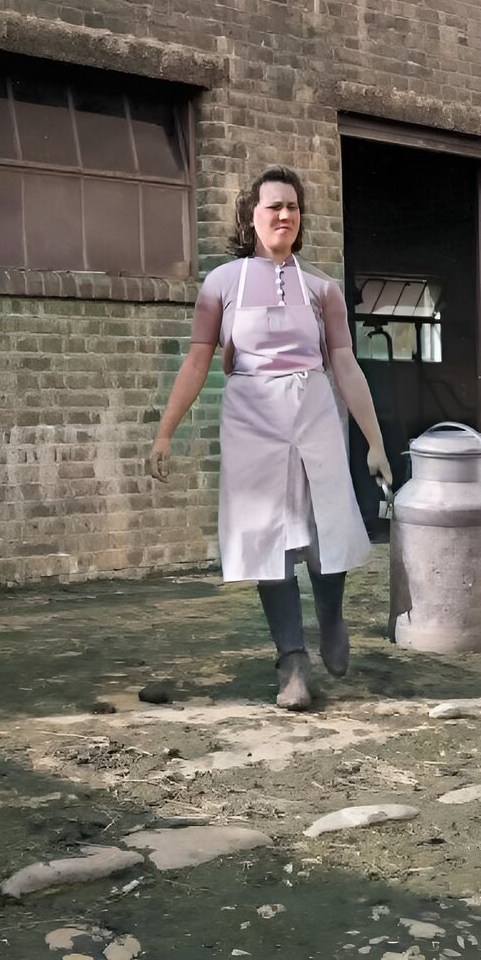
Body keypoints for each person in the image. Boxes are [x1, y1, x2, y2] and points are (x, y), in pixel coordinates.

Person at [150, 165, 392, 712]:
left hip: (313, 413)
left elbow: (346, 366)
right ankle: (292, 664)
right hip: (251, 418)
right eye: (272, 207)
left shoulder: (321, 289)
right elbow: (198, 360)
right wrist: (165, 433)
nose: (284, 215)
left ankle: (331, 615)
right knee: (267, 542)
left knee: (324, 527)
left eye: (292, 207)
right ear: (251, 216)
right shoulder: (221, 284)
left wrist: (374, 442)